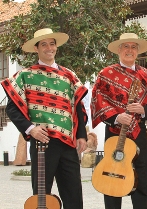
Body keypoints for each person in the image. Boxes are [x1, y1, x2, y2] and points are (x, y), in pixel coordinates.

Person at [1, 28, 88, 209]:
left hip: (68, 144)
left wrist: (81, 136)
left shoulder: (69, 75)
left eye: (52, 43)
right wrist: (30, 128)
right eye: (44, 44)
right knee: (41, 199)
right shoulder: (25, 75)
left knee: (74, 196)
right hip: (42, 143)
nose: (49, 47)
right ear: (36, 48)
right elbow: (12, 108)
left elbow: (78, 106)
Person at [91, 33, 147, 209]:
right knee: (112, 175)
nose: (130, 50)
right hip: (114, 134)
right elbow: (98, 100)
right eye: (126, 47)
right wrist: (115, 117)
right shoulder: (106, 74)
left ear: (138, 52)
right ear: (119, 50)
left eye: (134, 47)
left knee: (140, 177)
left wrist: (144, 111)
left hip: (139, 134)